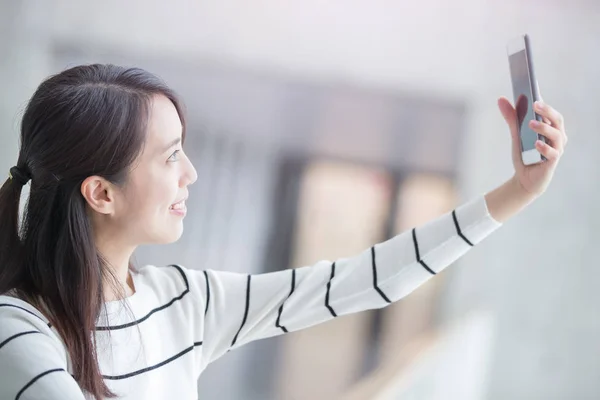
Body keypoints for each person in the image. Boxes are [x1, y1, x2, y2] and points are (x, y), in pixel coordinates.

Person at [0, 64, 567, 400]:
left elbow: (359, 283)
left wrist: (517, 192)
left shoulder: (184, 302)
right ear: (101, 193)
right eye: (170, 157)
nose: (190, 173)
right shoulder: (18, 332)